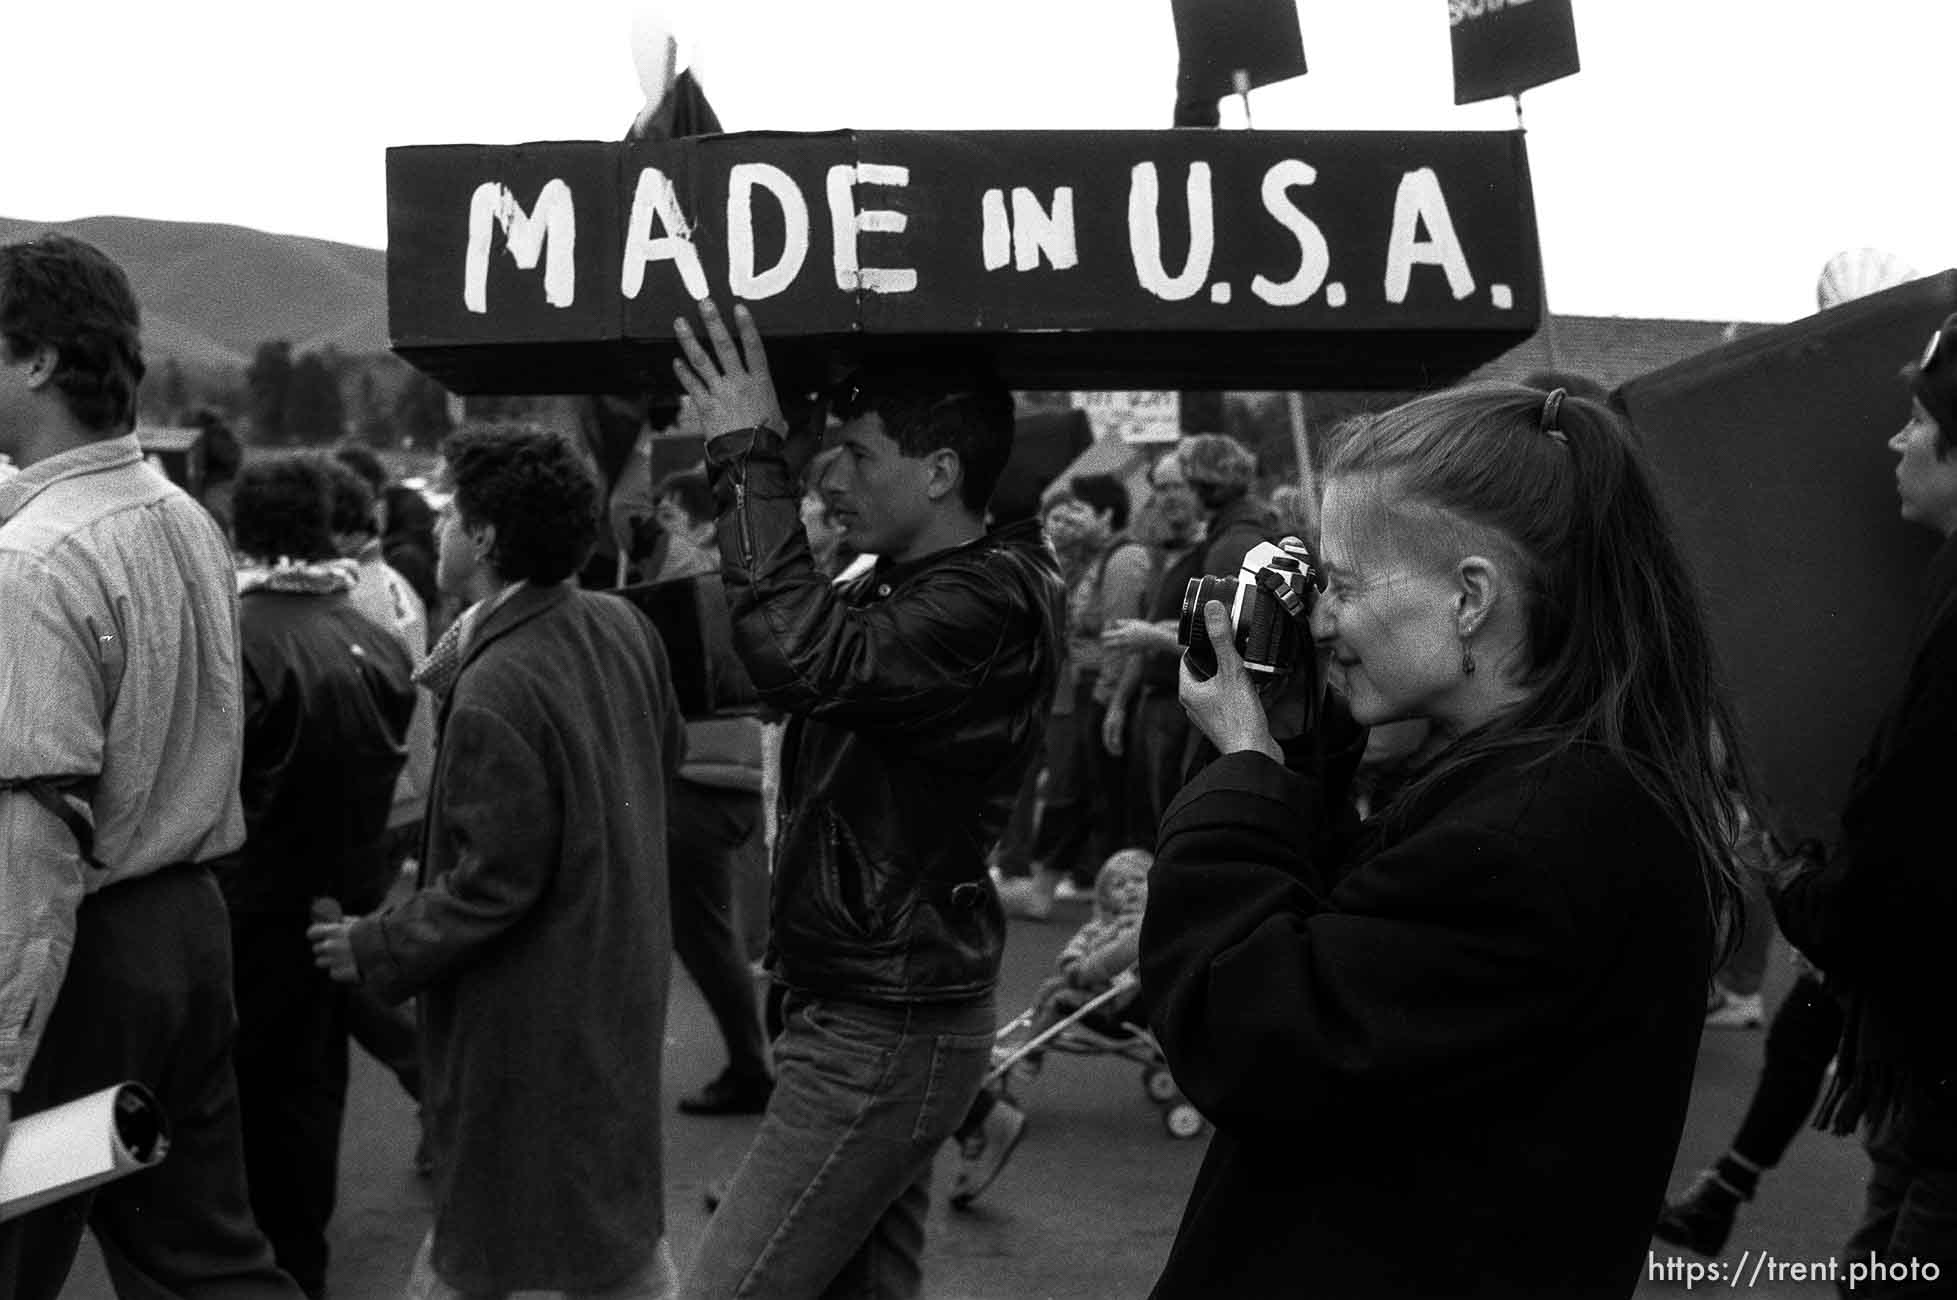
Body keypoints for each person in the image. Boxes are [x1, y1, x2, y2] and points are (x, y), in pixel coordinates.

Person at [1141, 384, 1748, 1298]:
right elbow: (1354, 964)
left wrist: (1243, 766)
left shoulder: (1525, 836)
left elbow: (1249, 1038)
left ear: (1470, 598)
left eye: (1340, 585)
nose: (1317, 620)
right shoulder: (1558, 785)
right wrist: (1300, 750)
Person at [669, 300, 1062, 1300]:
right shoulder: (896, 579)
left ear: (938, 470)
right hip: (872, 1008)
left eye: (851, 452)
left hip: (881, 1026)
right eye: (816, 453)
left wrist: (746, 453)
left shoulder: (990, 598)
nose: (823, 476)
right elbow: (754, 650)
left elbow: (803, 654)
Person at [308, 423, 685, 1299]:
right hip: (615, 976)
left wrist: (375, 944)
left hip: (534, 1010)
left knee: (483, 1240)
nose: (438, 531)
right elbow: (657, 761)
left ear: (480, 538)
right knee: (607, 1232)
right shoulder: (621, 623)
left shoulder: (497, 684)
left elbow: (493, 882)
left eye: (451, 516)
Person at [0, 232, 303, 1296]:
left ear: (36, 360)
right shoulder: (184, 517)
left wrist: (1, 1051)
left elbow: (32, 835)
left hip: (81, 952)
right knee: (205, 1257)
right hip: (189, 930)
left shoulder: (30, 562)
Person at [1770, 311, 1957, 1293]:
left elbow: (1908, 848)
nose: (1894, 437)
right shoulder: (1945, 576)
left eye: (1918, 417)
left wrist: (1797, 889)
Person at [219, 452, 416, 1297]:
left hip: (244, 915)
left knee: (240, 1125)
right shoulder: (372, 638)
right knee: (309, 1108)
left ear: (238, 530)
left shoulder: (232, 639)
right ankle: (303, 1268)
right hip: (338, 903)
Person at [649, 462, 776, 1117]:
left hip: (698, 774)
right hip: (736, 768)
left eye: (670, 513)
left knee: (703, 935)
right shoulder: (739, 572)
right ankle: (755, 1063)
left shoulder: (687, 574)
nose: (659, 525)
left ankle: (754, 1068)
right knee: (712, 933)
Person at [947, 846, 1153, 1209]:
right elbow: (1080, 947)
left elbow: (1116, 957)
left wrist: (1084, 971)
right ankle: (1025, 1044)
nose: (1132, 890)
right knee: (1050, 989)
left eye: (1139, 881)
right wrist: (1074, 963)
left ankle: (1029, 1054)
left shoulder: (1146, 926)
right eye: (1120, 885)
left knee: (1060, 1000)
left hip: (1122, 1006)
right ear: (1106, 895)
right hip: (1098, 992)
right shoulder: (1102, 925)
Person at [999, 476, 1153, 918]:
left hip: (1096, 689)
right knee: (1077, 790)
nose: (1069, 518)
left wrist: (1112, 702)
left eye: (1079, 510)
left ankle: (1067, 891)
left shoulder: (1124, 561)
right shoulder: (1098, 559)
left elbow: (1122, 641)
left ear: (1106, 516)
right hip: (1084, 687)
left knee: (1078, 791)